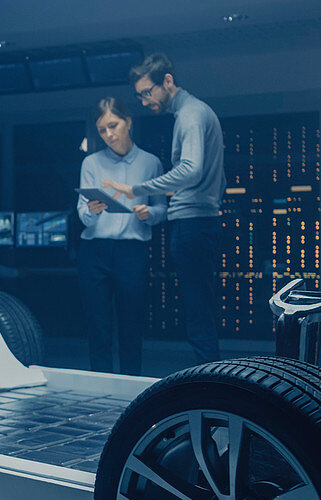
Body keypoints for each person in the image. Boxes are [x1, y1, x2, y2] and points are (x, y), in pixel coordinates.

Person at [102, 52, 226, 364]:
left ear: (167, 81)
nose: (144, 101)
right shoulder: (195, 113)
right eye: (139, 95)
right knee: (200, 308)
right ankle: (209, 383)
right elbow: (218, 179)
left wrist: (136, 189)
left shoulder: (190, 116)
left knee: (197, 312)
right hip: (201, 222)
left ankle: (208, 388)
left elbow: (191, 170)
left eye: (147, 92)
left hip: (193, 225)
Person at [77, 97, 166, 376]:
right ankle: (101, 386)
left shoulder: (151, 163)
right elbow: (82, 214)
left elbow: (162, 209)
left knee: (131, 325)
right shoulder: (91, 163)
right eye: (102, 130)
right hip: (95, 250)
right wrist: (92, 210)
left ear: (128, 122)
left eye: (113, 126)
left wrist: (148, 213)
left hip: (132, 252)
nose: (109, 135)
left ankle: (131, 388)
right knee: (97, 325)